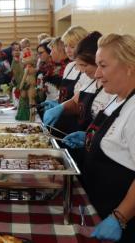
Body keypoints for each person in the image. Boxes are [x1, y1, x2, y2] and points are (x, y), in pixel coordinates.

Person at [62, 33, 135, 243]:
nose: (97, 74)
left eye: (103, 65)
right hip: (95, 206)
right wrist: (89, 137)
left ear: (129, 65)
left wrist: (119, 218)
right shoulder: (117, 98)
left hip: (119, 221)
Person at [44, 32, 113, 136]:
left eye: (84, 65)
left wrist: (91, 136)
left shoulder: (113, 87)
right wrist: (61, 107)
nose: (81, 71)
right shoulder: (91, 80)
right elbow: (76, 101)